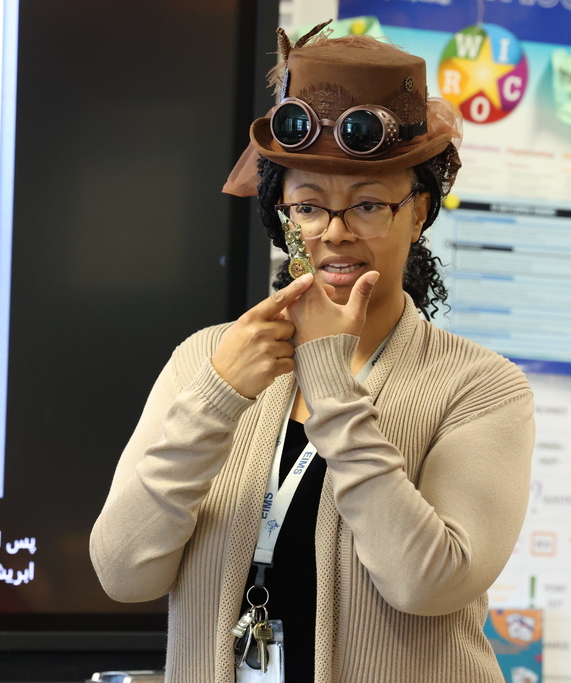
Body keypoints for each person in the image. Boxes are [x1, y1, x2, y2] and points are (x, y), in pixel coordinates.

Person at [91, 29, 534, 683]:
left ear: (419, 212)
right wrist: (217, 397)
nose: (334, 232)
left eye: (368, 204)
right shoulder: (208, 359)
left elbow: (429, 581)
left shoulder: (480, 386)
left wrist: (329, 376)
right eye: (307, 205)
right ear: (281, 213)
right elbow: (124, 571)